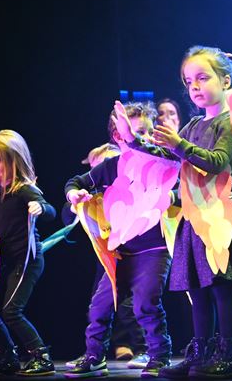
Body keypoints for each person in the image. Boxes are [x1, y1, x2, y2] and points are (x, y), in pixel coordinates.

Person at [111, 45, 232, 379]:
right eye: (188, 80)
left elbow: (219, 162)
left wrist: (179, 145)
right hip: (193, 219)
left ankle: (230, 353)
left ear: (224, 80)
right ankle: (201, 352)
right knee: (198, 288)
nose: (193, 86)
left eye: (202, 78)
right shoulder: (192, 125)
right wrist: (134, 141)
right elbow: (166, 159)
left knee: (220, 286)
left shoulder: (231, 123)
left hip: (219, 219)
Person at [64, 101, 173, 379]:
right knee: (100, 305)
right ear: (118, 136)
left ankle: (159, 355)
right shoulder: (113, 167)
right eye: (136, 133)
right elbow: (77, 181)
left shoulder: (160, 162)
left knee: (145, 303)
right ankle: (94, 356)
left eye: (148, 132)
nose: (143, 139)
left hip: (154, 249)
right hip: (121, 252)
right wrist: (74, 194)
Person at [0, 129, 56, 376]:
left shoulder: (24, 190)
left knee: (11, 311)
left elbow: (49, 210)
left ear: (14, 160)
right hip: (8, 263)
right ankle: (9, 358)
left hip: (27, 260)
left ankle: (41, 356)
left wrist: (39, 207)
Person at [64, 141, 150, 369]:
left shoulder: (129, 184)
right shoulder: (92, 193)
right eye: (95, 168)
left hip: (133, 250)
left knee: (135, 303)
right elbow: (67, 215)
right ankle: (94, 353)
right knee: (99, 303)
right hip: (106, 255)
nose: (100, 173)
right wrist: (75, 203)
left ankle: (144, 349)